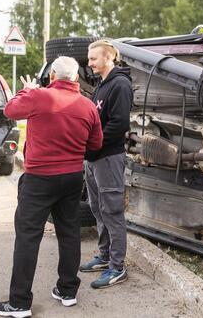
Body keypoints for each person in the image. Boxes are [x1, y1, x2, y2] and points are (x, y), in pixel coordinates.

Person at [0, 56, 103, 318]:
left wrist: (27, 90)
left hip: (39, 179)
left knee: (28, 237)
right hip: (72, 177)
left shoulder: (38, 96)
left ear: (52, 76)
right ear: (76, 78)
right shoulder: (88, 106)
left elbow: (10, 110)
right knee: (69, 233)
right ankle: (67, 291)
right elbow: (96, 144)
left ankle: (19, 303)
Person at [79, 39, 133, 289]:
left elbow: (118, 125)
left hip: (108, 158)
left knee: (112, 211)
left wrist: (93, 145)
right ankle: (104, 255)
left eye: (93, 59)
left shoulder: (120, 85)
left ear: (109, 58)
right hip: (94, 159)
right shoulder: (102, 85)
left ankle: (117, 267)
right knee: (97, 208)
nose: (89, 63)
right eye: (89, 59)